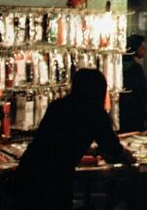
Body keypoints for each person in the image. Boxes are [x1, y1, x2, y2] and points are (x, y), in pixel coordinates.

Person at [11, 69, 134, 210]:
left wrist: (90, 150)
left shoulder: (58, 106)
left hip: (30, 170)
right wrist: (128, 156)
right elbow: (111, 146)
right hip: (55, 179)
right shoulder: (95, 113)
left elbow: (56, 140)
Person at [119, 34, 147, 132]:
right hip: (134, 112)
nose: (145, 50)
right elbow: (141, 92)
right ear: (135, 48)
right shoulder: (136, 68)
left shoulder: (121, 65)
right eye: (142, 47)